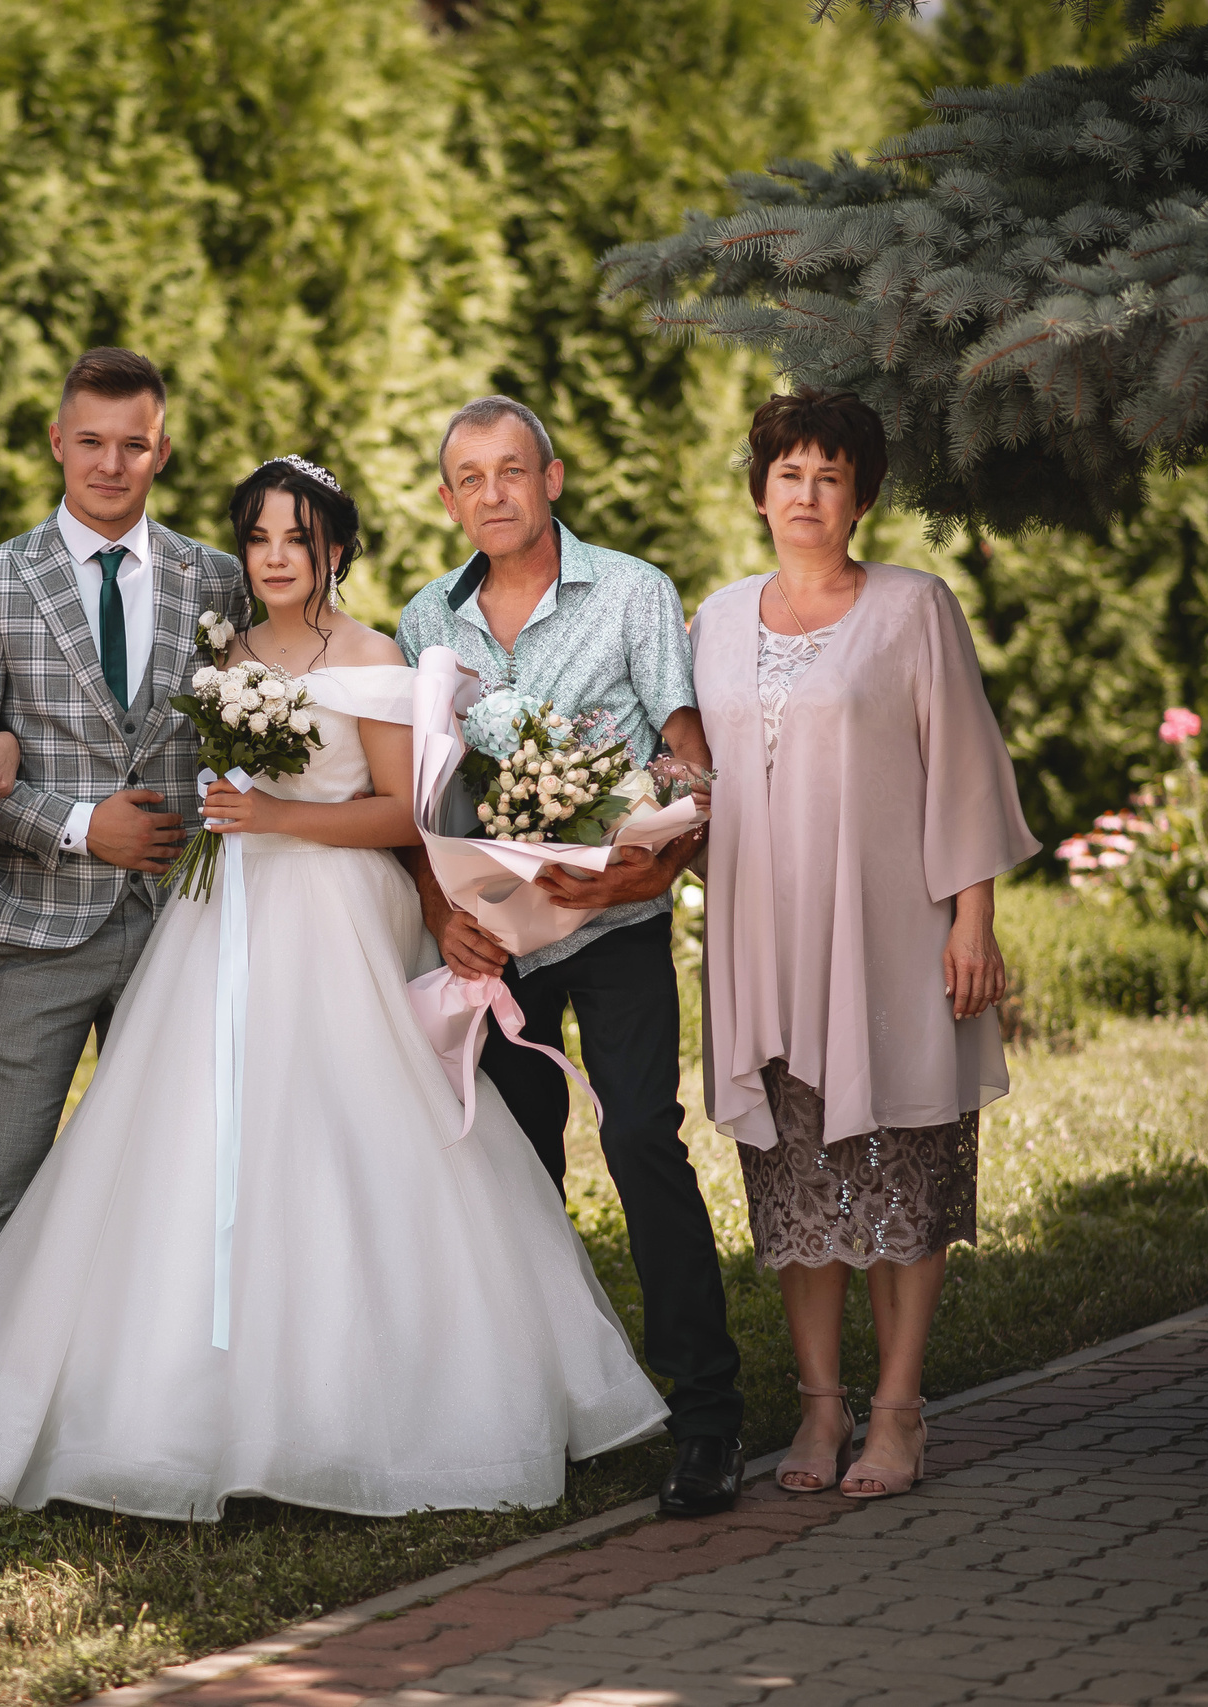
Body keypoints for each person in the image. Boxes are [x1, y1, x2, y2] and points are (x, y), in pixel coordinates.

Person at [0, 457, 667, 1516]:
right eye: (259, 539)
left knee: (346, 1141)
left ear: (335, 547)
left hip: (335, 911)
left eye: (299, 539)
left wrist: (278, 819)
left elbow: (402, 812)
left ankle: (369, 1412)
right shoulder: (225, 652)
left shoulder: (377, 654)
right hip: (219, 914)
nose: (278, 558)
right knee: (188, 1145)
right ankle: (169, 1410)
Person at [393, 396, 747, 1518]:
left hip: (619, 927)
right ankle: (545, 1412)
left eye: (512, 471)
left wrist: (659, 866)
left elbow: (686, 759)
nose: (492, 493)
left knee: (642, 1138)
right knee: (517, 1173)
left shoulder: (634, 592)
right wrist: (437, 911)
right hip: (500, 944)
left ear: (552, 478)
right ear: (447, 501)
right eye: (469, 478)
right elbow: (417, 806)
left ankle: (706, 1418)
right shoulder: (422, 625)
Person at [689, 388, 1038, 1499]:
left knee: (899, 1170)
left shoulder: (911, 609)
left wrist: (972, 920)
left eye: (828, 476)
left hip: (889, 935)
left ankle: (896, 1412)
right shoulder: (714, 618)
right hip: (764, 940)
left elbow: (966, 766)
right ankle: (817, 1408)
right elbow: (695, 776)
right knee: (795, 1183)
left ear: (862, 498)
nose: (806, 494)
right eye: (788, 473)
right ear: (758, 493)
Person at [0, 347, 246, 1361]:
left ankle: (163, 1396)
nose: (110, 463)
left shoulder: (213, 578)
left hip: (180, 932)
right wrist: (75, 823)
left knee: (183, 1179)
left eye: (132, 444)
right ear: (57, 441)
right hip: (38, 930)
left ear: (162, 449)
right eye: (90, 442)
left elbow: (244, 742)